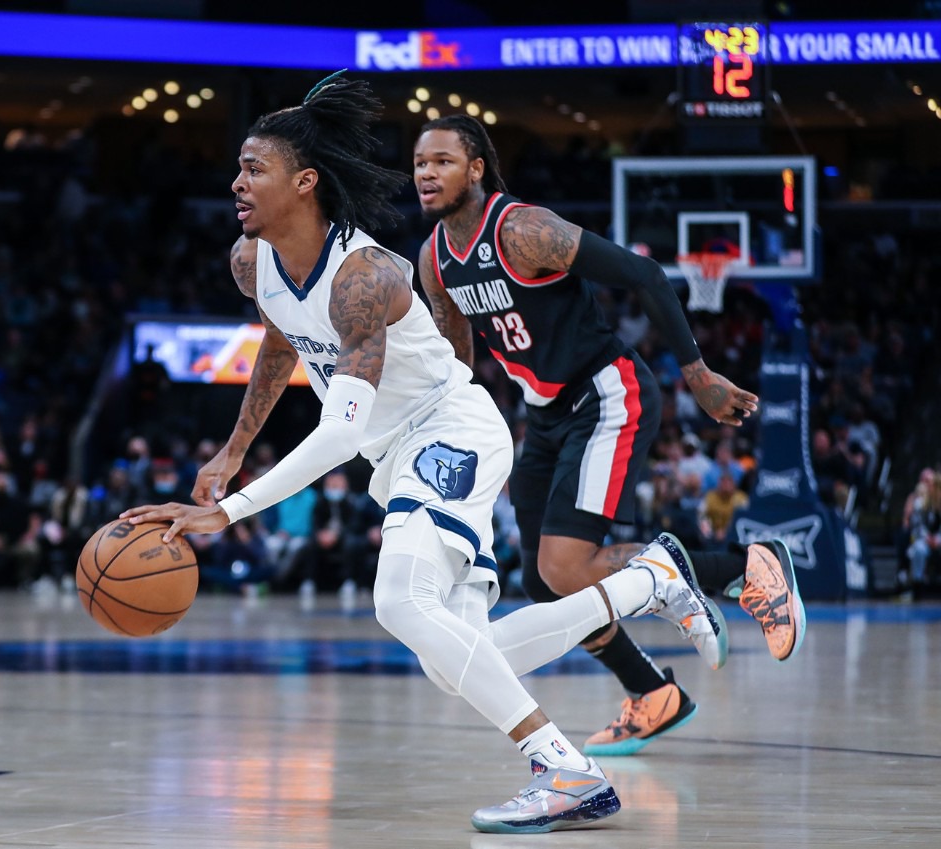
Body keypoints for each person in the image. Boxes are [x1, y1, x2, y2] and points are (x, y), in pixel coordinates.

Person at [122, 73, 732, 835]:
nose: (236, 182)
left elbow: (341, 431)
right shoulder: (252, 262)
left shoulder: (367, 277)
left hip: (449, 431)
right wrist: (232, 450)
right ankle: (648, 581)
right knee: (456, 662)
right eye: (240, 167)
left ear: (304, 183)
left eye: (254, 168)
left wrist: (227, 509)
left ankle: (565, 769)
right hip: (397, 458)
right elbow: (282, 340)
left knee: (398, 601)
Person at [411, 115, 807, 755]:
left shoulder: (521, 229)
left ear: (476, 168)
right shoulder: (433, 259)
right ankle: (651, 691)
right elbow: (458, 363)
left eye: (442, 161)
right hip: (543, 413)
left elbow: (646, 277)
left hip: (606, 393)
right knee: (546, 582)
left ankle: (747, 565)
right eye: (420, 163)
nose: (426, 172)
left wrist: (698, 375)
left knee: (566, 565)